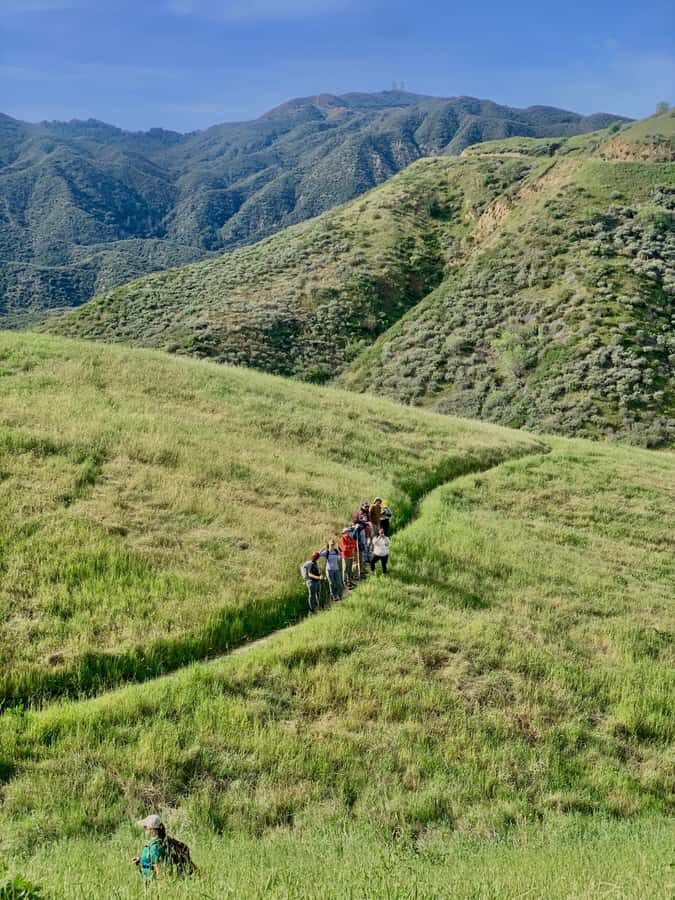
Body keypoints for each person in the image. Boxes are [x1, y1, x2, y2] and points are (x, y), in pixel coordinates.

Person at [133, 814, 167, 884]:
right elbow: (150, 859)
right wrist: (140, 859)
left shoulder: (155, 847)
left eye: (145, 827)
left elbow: (159, 869)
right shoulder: (154, 842)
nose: (144, 829)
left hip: (151, 883)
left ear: (152, 829)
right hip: (148, 881)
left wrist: (160, 887)